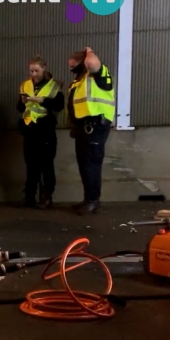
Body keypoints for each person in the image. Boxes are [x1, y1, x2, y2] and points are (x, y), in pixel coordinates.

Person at [67, 47, 115, 215]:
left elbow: (93, 63)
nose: (71, 69)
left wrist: (89, 52)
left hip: (95, 126)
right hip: (83, 127)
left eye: (74, 66)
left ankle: (93, 201)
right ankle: (88, 199)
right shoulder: (79, 80)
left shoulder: (98, 74)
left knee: (91, 164)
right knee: (84, 165)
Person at [17, 55, 65, 209]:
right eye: (31, 71)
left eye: (36, 71)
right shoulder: (25, 85)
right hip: (30, 129)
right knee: (31, 165)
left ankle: (46, 197)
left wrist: (43, 101)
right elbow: (19, 108)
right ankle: (29, 196)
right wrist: (23, 102)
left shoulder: (54, 86)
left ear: (44, 69)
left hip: (45, 129)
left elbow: (59, 106)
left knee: (46, 165)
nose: (33, 74)